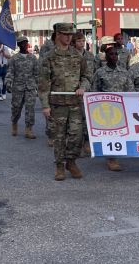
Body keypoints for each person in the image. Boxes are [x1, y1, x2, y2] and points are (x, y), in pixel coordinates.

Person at [38, 23, 91, 181]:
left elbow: (87, 76)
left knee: (77, 135)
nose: (69, 37)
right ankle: (60, 166)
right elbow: (43, 84)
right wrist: (45, 106)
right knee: (59, 137)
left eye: (70, 35)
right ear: (58, 35)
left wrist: (83, 87)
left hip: (74, 103)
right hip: (57, 104)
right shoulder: (49, 57)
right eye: (65, 34)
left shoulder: (77, 56)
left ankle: (71, 162)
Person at [92, 46, 135, 171]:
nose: (114, 56)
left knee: (120, 133)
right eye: (111, 54)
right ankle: (111, 158)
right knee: (110, 134)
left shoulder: (124, 72)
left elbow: (130, 90)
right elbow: (94, 91)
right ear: (106, 57)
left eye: (116, 54)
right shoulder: (100, 72)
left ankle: (117, 154)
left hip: (122, 108)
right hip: (106, 109)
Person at [5, 37, 39, 139]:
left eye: (26, 43)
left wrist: (39, 86)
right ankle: (14, 123)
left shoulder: (33, 58)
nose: (25, 45)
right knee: (16, 108)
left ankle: (29, 129)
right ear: (19, 45)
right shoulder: (14, 58)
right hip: (18, 87)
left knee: (30, 109)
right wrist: (8, 83)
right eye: (23, 43)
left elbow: (37, 74)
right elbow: (10, 72)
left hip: (30, 87)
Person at [72, 32, 96, 155]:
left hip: (89, 90)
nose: (81, 43)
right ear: (74, 43)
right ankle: (78, 145)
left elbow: (94, 72)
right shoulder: (70, 56)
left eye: (83, 41)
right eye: (79, 41)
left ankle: (87, 142)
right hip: (75, 91)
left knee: (88, 118)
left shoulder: (90, 56)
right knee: (77, 119)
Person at [39, 33, 56, 146]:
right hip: (50, 82)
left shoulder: (68, 47)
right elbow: (41, 62)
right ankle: (51, 135)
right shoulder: (47, 46)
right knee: (50, 111)